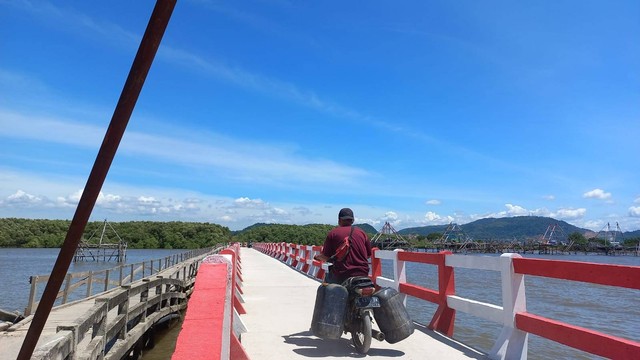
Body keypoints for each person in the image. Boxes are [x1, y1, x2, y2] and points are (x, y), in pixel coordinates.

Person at [314, 208, 372, 284]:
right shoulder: (362, 232)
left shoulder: (333, 233)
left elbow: (326, 257)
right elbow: (368, 255)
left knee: (325, 286)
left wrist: (317, 257)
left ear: (339, 220)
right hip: (363, 274)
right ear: (353, 220)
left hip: (341, 274)